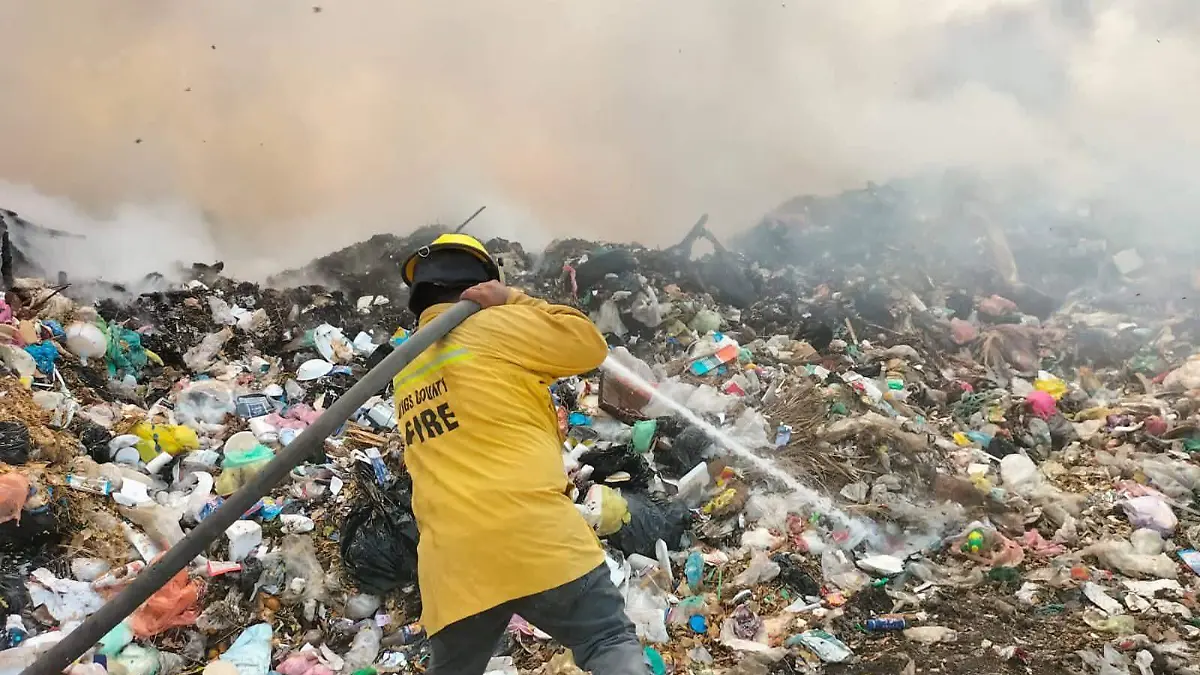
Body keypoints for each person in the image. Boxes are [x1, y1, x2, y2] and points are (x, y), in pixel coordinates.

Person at [394, 233, 649, 675]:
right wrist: (512, 298)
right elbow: (587, 343)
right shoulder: (494, 325)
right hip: (533, 536)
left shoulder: (406, 368)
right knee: (604, 638)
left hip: (453, 564)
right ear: (479, 281)